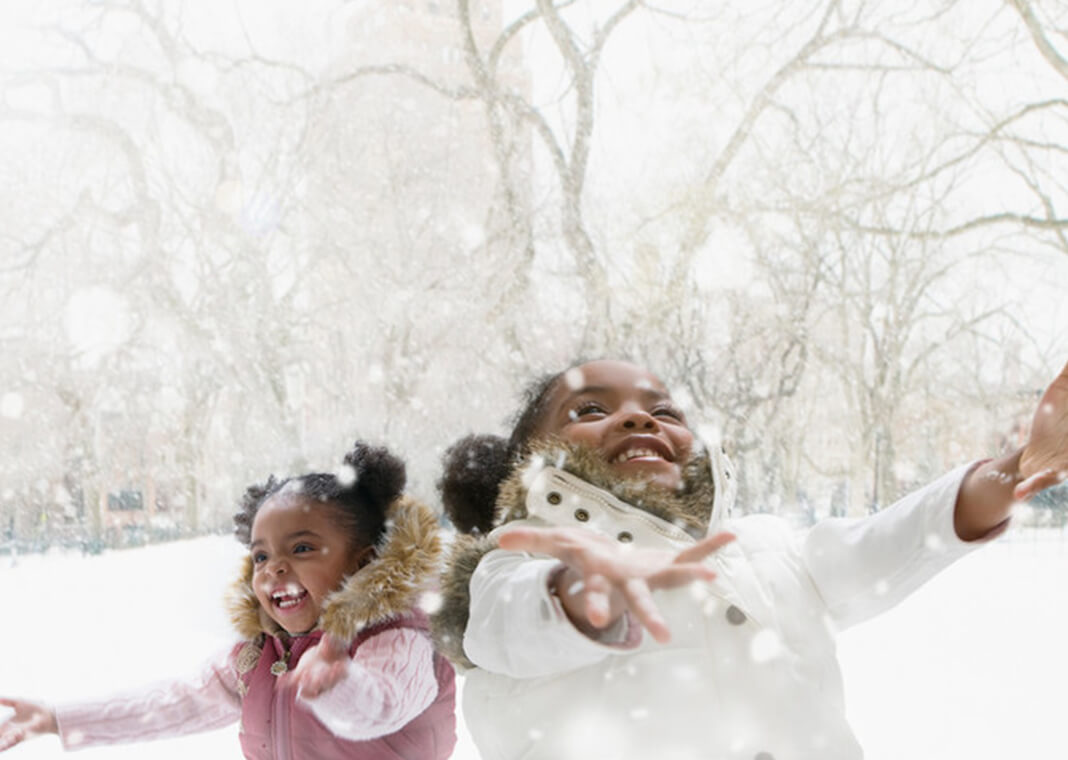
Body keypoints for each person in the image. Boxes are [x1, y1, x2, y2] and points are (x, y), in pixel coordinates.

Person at [432, 358, 1068, 760]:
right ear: (527, 458)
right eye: (591, 409)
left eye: (663, 410)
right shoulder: (509, 568)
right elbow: (513, 624)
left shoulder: (763, 544)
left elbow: (888, 544)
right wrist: (582, 594)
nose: (637, 419)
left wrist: (1012, 472)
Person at [0, 442, 457, 759]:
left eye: (301, 549)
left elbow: (384, 704)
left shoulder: (398, 639)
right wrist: (60, 718)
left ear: (363, 562)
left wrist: (339, 684)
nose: (273, 568)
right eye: (261, 555)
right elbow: (173, 702)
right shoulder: (258, 658)